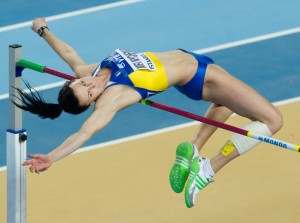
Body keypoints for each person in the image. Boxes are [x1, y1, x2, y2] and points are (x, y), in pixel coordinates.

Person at [17, 18, 283, 208]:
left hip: (193, 59)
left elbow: (67, 51)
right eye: (89, 93)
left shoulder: (89, 72)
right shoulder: (110, 101)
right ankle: (209, 168)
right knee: (273, 120)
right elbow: (84, 133)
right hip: (201, 76)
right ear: (91, 103)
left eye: (82, 83)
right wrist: (52, 156)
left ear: (74, 80)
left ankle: (192, 148)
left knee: (225, 104)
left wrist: (42, 30)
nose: (91, 85)